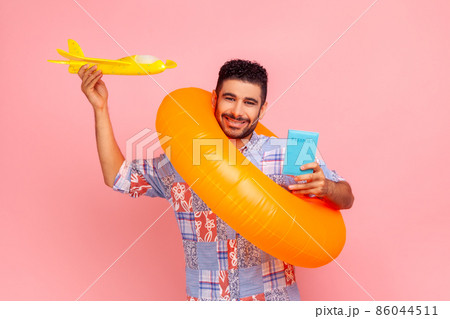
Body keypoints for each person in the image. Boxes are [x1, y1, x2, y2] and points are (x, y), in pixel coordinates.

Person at [78, 59, 354, 301]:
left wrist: (328, 187)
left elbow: (347, 197)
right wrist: (100, 108)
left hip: (273, 301)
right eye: (229, 98)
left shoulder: (292, 151)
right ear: (214, 99)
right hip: (209, 301)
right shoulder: (183, 158)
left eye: (249, 102)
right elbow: (117, 176)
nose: (237, 111)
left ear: (263, 109)